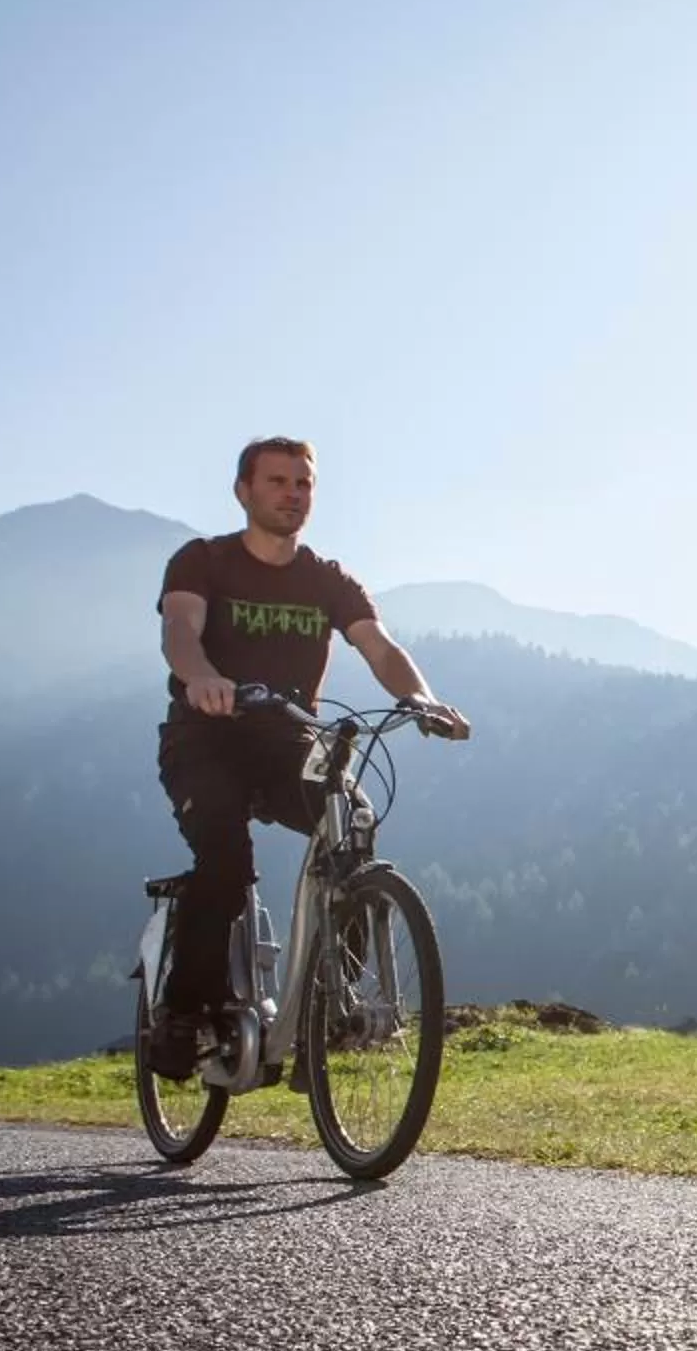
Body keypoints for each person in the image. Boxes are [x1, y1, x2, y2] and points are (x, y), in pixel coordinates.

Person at [147, 436, 470, 1077]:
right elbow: (180, 629)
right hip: (205, 739)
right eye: (277, 482)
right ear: (243, 491)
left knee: (352, 823)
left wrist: (422, 700)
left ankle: (327, 1006)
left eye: (303, 484)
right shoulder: (203, 560)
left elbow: (379, 647)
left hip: (289, 741)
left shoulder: (326, 579)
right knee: (226, 860)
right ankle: (184, 1013)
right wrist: (201, 677)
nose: (292, 494)